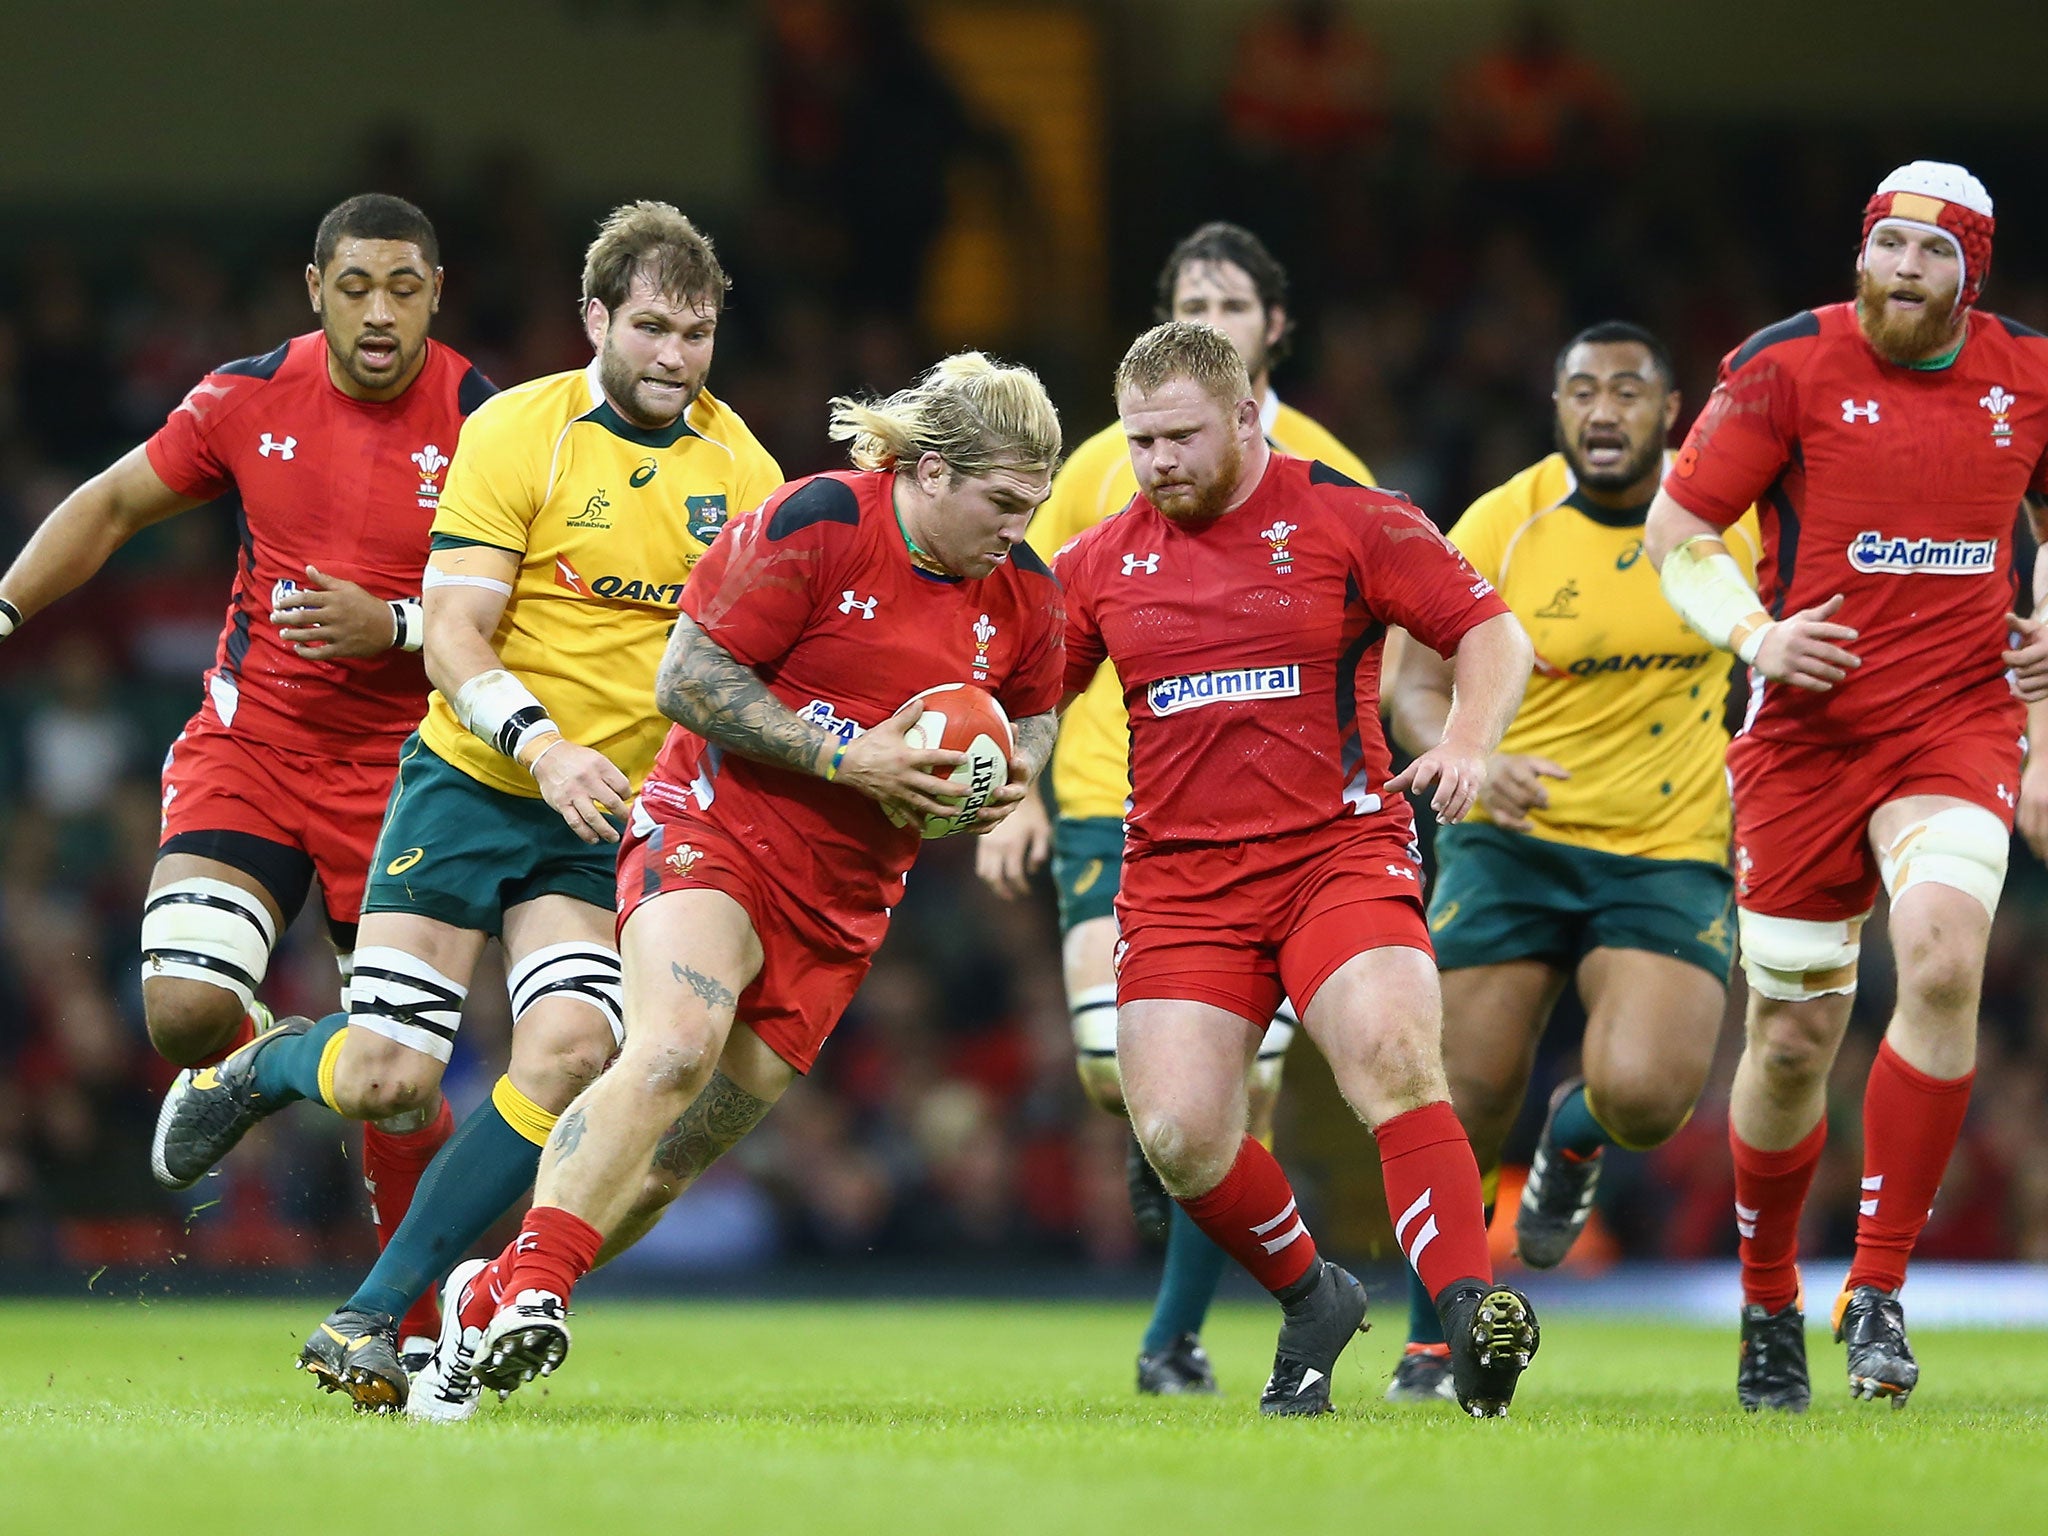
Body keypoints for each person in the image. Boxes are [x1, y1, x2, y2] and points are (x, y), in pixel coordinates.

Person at [150, 201, 782, 1411]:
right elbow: (449, 633)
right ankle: (275, 1066)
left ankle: (372, 1314)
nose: (673, 356)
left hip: (604, 822)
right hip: (475, 779)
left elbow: (738, 668)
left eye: (696, 333)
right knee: (390, 1078)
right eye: (649, 326)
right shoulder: (515, 430)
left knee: (574, 1052)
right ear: (596, 318)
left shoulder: (743, 473)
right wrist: (544, 750)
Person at [403, 354, 1066, 1417]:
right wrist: (849, 760)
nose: (1014, 528)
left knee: (670, 1164)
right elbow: (686, 679)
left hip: (845, 902)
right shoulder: (813, 521)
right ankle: (532, 1290)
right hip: (715, 830)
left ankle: (490, 1299)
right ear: (931, 471)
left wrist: (988, 792)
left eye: (1030, 507)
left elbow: (1025, 727)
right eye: (1000, 502)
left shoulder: (1027, 591)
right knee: (668, 1048)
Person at [0, 194, 493, 1351]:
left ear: (438, 291)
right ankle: (244, 1056)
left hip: (415, 779)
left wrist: (403, 628)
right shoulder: (241, 395)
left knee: (402, 1081)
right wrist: (7, 603)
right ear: (312, 287)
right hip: (251, 752)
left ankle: (409, 1336)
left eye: (405, 287)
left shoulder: (491, 422)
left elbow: (539, 609)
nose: (380, 313)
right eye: (357, 285)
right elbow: (115, 502)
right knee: (179, 1013)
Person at [1054, 321, 1539, 1418]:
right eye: (1138, 442)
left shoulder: (1350, 518)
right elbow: (1034, 695)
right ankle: (1310, 1294)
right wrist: (992, 776)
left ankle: (1467, 1317)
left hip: (1336, 854)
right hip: (1177, 882)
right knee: (1177, 1137)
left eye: (1178, 436)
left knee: (1393, 1061)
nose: (1156, 463)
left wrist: (1464, 743)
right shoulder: (1095, 561)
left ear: (1241, 416)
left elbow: (1490, 634)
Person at [1645, 161, 2048, 1410]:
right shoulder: (1782, 365)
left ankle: (1874, 1291)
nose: (1898, 272)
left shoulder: (2028, 376)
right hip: (1802, 743)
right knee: (1788, 1038)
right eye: (1884, 248)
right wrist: (1755, 636)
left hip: (1955, 724)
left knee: (1935, 961)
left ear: (1967, 275)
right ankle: (1767, 1295)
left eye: (1928, 255)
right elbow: (1677, 532)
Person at [977, 221, 1378, 1395]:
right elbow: (1023, 632)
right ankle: (1174, 1206)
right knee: (1116, 1071)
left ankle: (1172, 1340)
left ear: (1275, 330)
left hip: (1286, 821)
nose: (1212, 320)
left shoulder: (1328, 468)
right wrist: (1017, 792)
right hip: (1116, 800)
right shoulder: (1105, 459)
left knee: (1227, 1097)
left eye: (1233, 305)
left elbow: (1391, 621)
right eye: (1190, 300)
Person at [1383, 322, 1757, 1402]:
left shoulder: (1726, 522)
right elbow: (1407, 687)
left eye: (1627, 391)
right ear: (1554, 408)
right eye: (1581, 390)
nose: (1603, 410)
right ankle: (1429, 1342)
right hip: (1512, 846)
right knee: (1457, 1095)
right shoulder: (1501, 523)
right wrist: (1468, 753)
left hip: (1664, 845)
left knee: (1642, 1097)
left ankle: (1574, 1139)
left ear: (1671, 409)